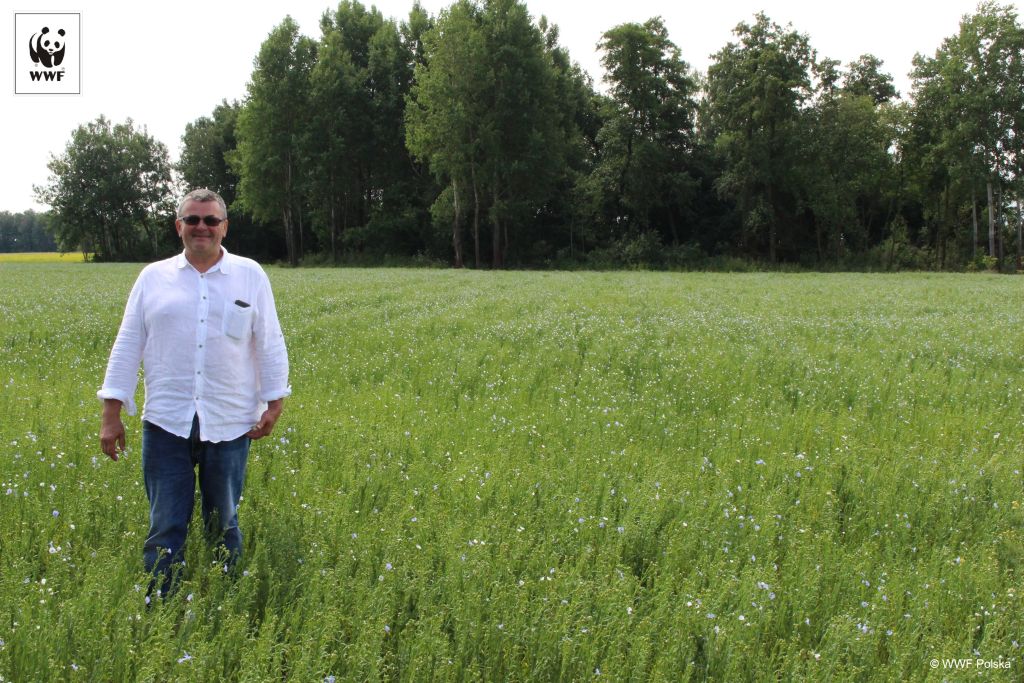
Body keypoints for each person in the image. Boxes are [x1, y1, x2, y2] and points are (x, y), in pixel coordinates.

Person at [98, 188, 290, 596]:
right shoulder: (153, 277)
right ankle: (160, 605)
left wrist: (275, 402)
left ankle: (226, 601)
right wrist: (111, 413)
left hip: (231, 420)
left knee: (224, 521)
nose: (201, 227)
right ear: (178, 226)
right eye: (192, 220)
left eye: (210, 220)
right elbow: (128, 342)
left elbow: (268, 339)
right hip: (166, 421)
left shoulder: (250, 274)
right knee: (165, 522)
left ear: (224, 227)